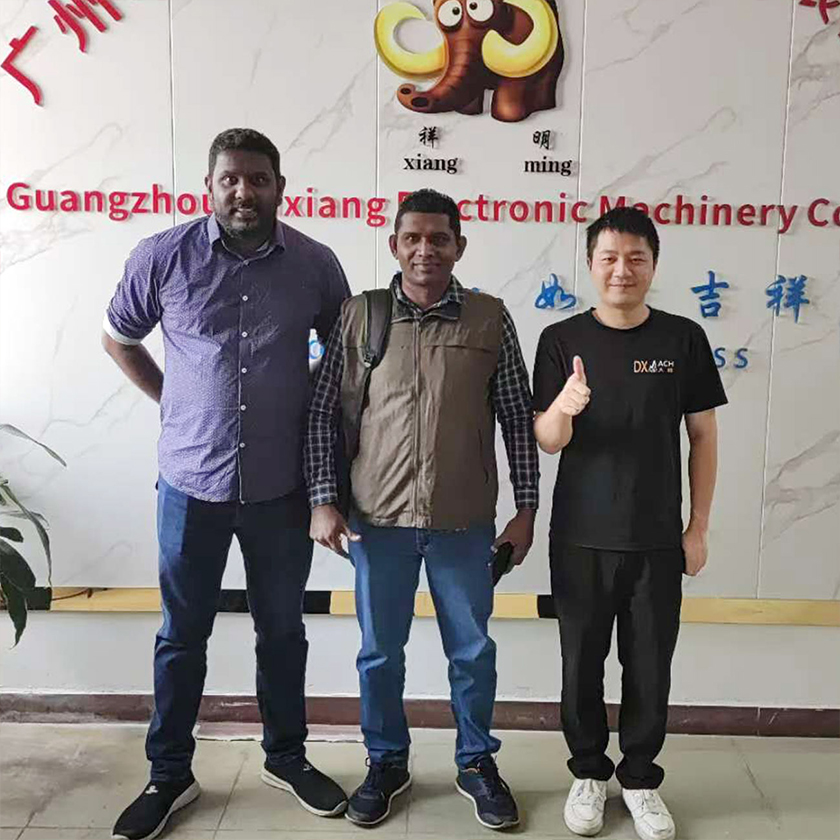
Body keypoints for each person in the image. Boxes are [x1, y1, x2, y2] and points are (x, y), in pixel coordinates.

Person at [102, 128, 351, 840]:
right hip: (191, 485)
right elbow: (119, 338)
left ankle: (286, 757)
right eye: (230, 179)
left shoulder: (315, 265)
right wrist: (173, 400)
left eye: (258, 179)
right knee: (182, 636)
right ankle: (169, 774)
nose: (244, 191)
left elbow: (344, 360)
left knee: (283, 631)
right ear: (209, 187)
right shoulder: (163, 256)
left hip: (281, 489)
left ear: (280, 187)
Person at [305, 188, 539, 830]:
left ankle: (477, 763)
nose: (425, 249)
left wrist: (526, 508)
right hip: (376, 520)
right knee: (380, 653)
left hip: (464, 521)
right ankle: (386, 762)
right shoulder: (361, 315)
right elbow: (322, 411)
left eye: (439, 238)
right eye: (412, 238)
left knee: (473, 651)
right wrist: (322, 500)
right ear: (395, 245)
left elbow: (517, 417)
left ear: (459, 246)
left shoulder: (490, 318)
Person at [533, 207, 726, 840]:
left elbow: (703, 437)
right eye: (609, 258)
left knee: (649, 665)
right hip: (580, 537)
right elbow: (548, 439)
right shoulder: (561, 340)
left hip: (656, 539)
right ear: (591, 265)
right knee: (580, 664)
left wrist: (697, 528)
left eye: (635, 258)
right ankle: (589, 773)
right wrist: (565, 405)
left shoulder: (682, 339)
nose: (622, 270)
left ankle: (641, 779)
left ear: (653, 265)